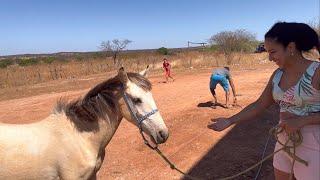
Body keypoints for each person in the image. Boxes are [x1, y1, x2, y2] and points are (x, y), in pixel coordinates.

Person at [208, 22, 320, 180]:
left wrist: (303, 121)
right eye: (267, 52)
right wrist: (229, 121)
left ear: (291, 47)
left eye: (273, 52)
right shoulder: (277, 75)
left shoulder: (317, 72)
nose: (269, 58)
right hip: (283, 142)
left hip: (314, 146)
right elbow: (260, 104)